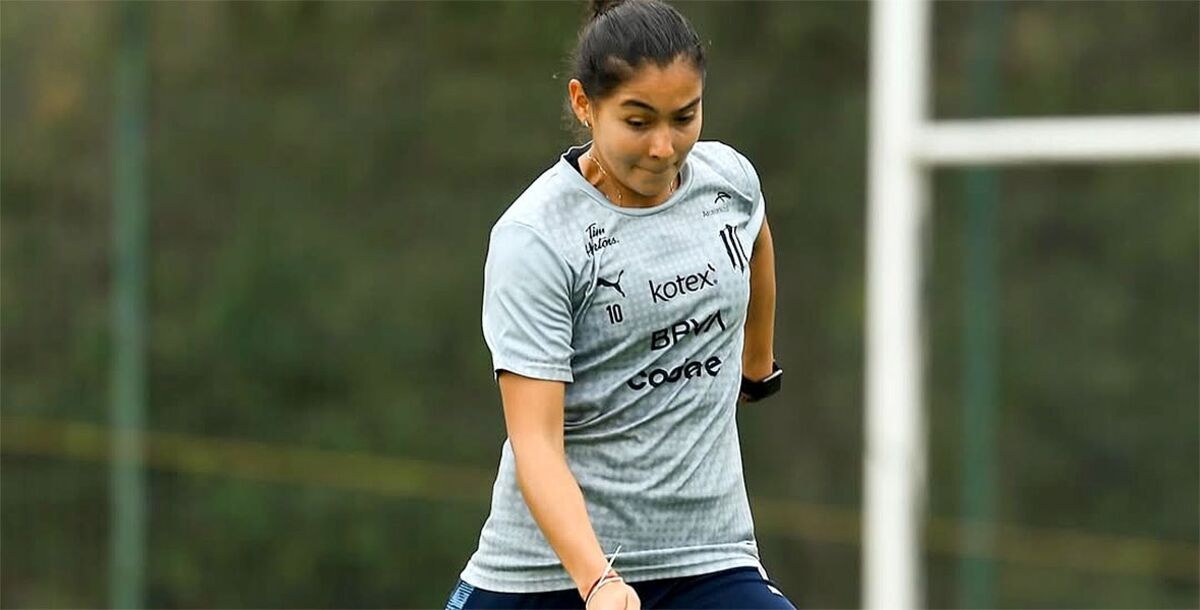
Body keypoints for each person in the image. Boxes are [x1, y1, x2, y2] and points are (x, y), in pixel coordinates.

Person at [446, 0, 792, 608]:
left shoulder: (728, 182)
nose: (664, 147)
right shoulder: (537, 238)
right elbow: (536, 445)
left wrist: (756, 364)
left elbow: (755, 237)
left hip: (709, 559)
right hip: (547, 578)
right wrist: (598, 579)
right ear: (585, 104)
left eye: (685, 117)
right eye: (638, 122)